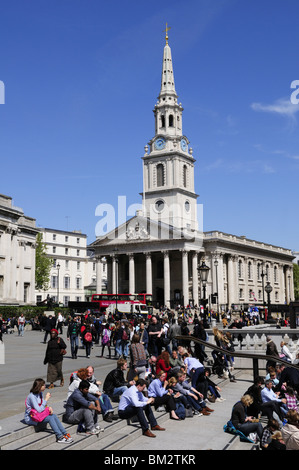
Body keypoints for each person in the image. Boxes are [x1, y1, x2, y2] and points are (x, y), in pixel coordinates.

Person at [25, 378, 73, 443]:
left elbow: (42, 406)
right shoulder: (32, 396)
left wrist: (48, 408)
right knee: (50, 418)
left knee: (53, 416)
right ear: (39, 386)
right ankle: (60, 437)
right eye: (43, 385)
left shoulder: (40, 393)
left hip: (39, 416)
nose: (45, 386)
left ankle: (64, 433)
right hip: (31, 418)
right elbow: (38, 410)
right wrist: (46, 399)